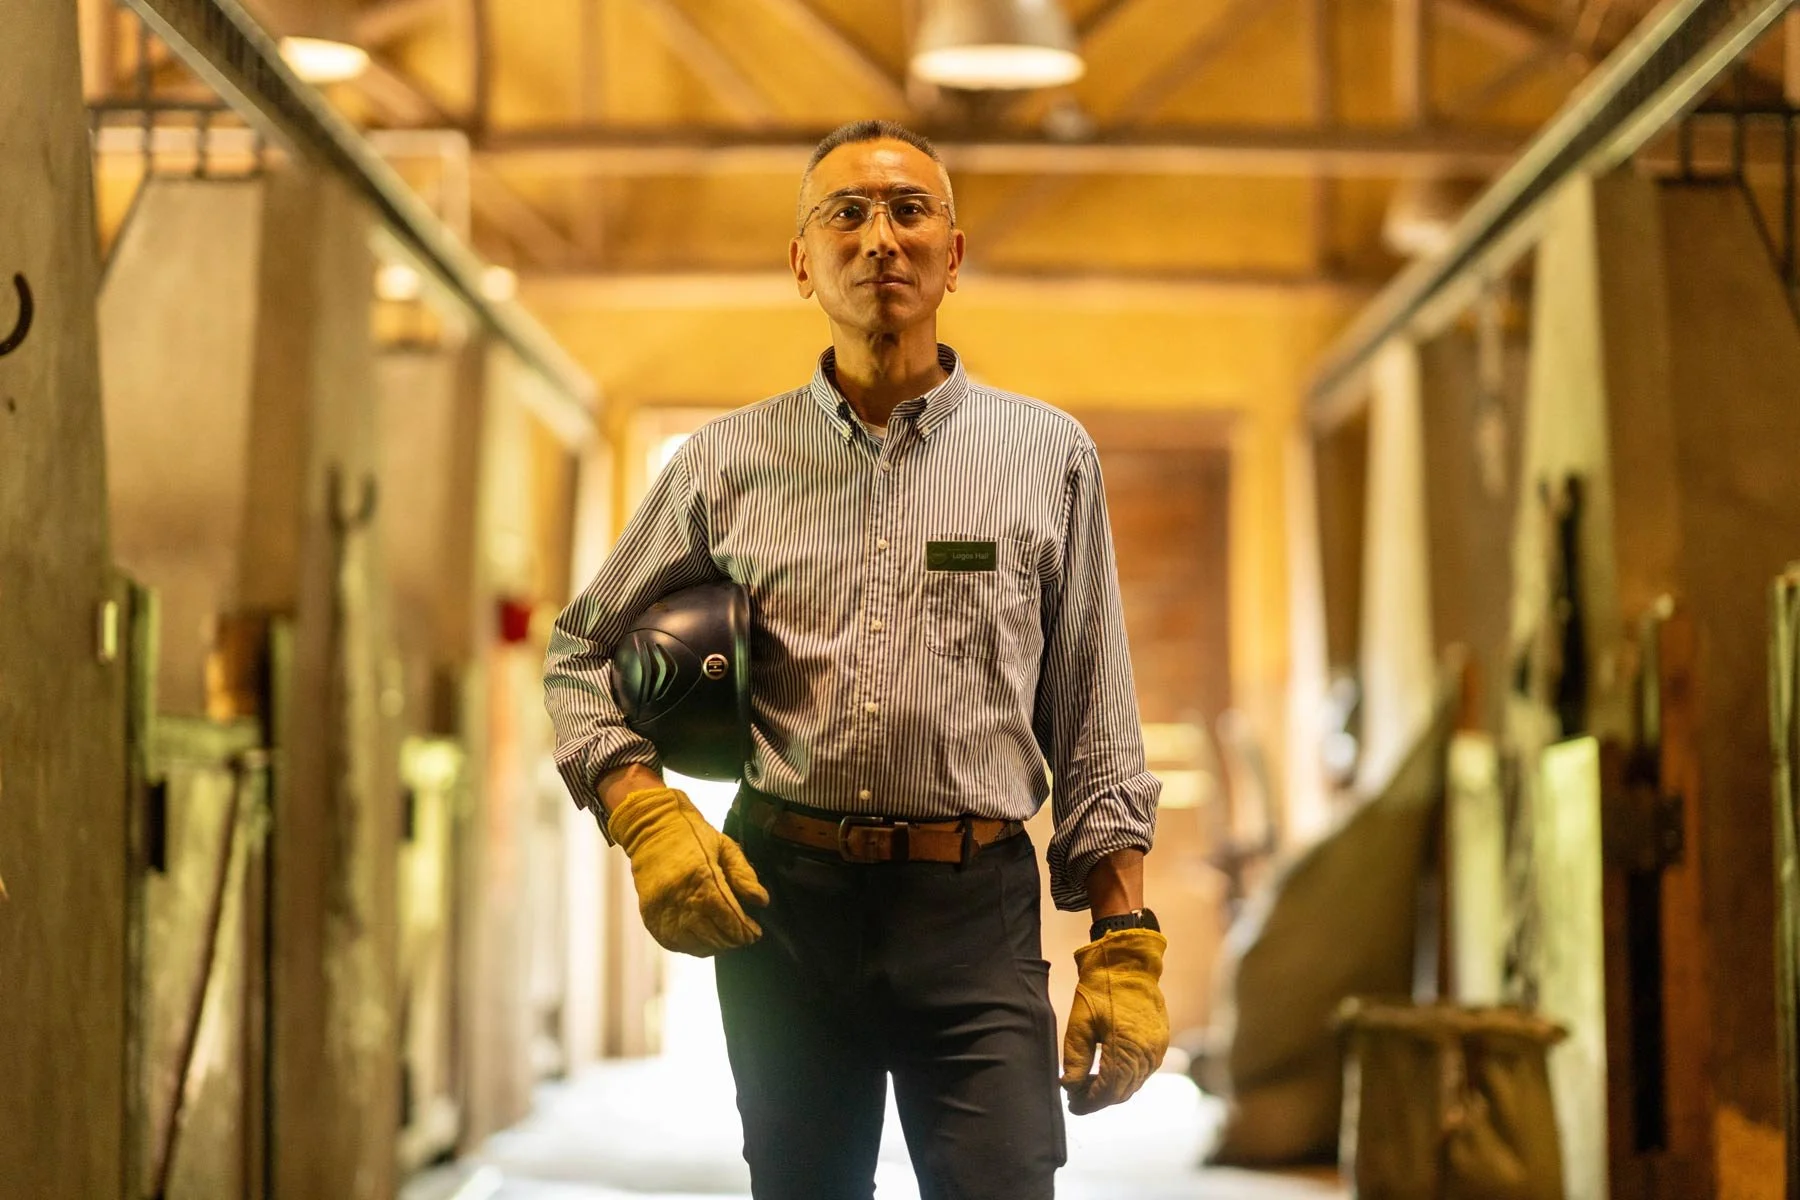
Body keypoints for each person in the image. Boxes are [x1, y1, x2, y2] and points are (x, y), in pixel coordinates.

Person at [544, 118, 1168, 1200]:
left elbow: (1092, 714)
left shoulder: (1046, 456)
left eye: (908, 210)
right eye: (846, 214)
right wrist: (643, 811)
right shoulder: (725, 462)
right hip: (788, 906)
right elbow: (577, 654)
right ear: (802, 264)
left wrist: (1124, 939)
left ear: (953, 255)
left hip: (974, 913)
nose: (879, 237)